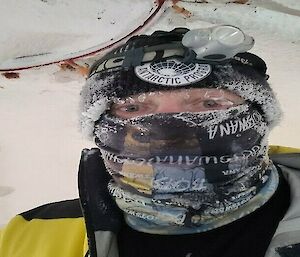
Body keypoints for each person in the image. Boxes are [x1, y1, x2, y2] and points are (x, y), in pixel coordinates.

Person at [1, 25, 300, 257]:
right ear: (97, 128)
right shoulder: (27, 236)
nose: (171, 131)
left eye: (209, 104)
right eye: (133, 109)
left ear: (260, 117)